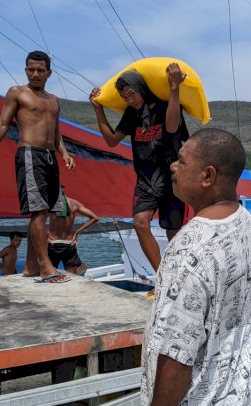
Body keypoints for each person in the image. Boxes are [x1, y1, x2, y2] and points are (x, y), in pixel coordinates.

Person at [141, 128, 251, 406]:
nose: (172, 166)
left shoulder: (190, 249)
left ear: (207, 176)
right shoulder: (245, 221)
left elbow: (176, 359)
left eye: (182, 162)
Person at [0, 51, 75, 282]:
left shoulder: (53, 100)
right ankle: (45, 266)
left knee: (48, 210)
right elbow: (2, 123)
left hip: (50, 157)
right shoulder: (17, 93)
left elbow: (56, 132)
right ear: (25, 70)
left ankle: (31, 266)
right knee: (38, 210)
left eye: (40, 70)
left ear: (49, 73)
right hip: (30, 154)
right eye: (31, 69)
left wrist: (64, 152)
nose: (35, 74)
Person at [89, 63, 189, 273]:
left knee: (173, 230)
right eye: (125, 97)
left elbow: (171, 127)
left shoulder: (166, 104)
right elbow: (112, 141)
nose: (130, 100)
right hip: (146, 179)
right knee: (140, 222)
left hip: (172, 177)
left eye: (132, 94)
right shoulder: (132, 114)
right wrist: (98, 110)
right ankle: (162, 276)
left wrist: (174, 89)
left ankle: (178, 274)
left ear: (141, 88)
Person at [47, 193, 99, 275]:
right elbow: (95, 218)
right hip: (69, 243)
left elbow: (36, 221)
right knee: (72, 277)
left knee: (49, 275)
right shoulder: (74, 203)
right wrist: (77, 232)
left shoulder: (49, 202)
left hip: (53, 242)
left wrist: (45, 233)